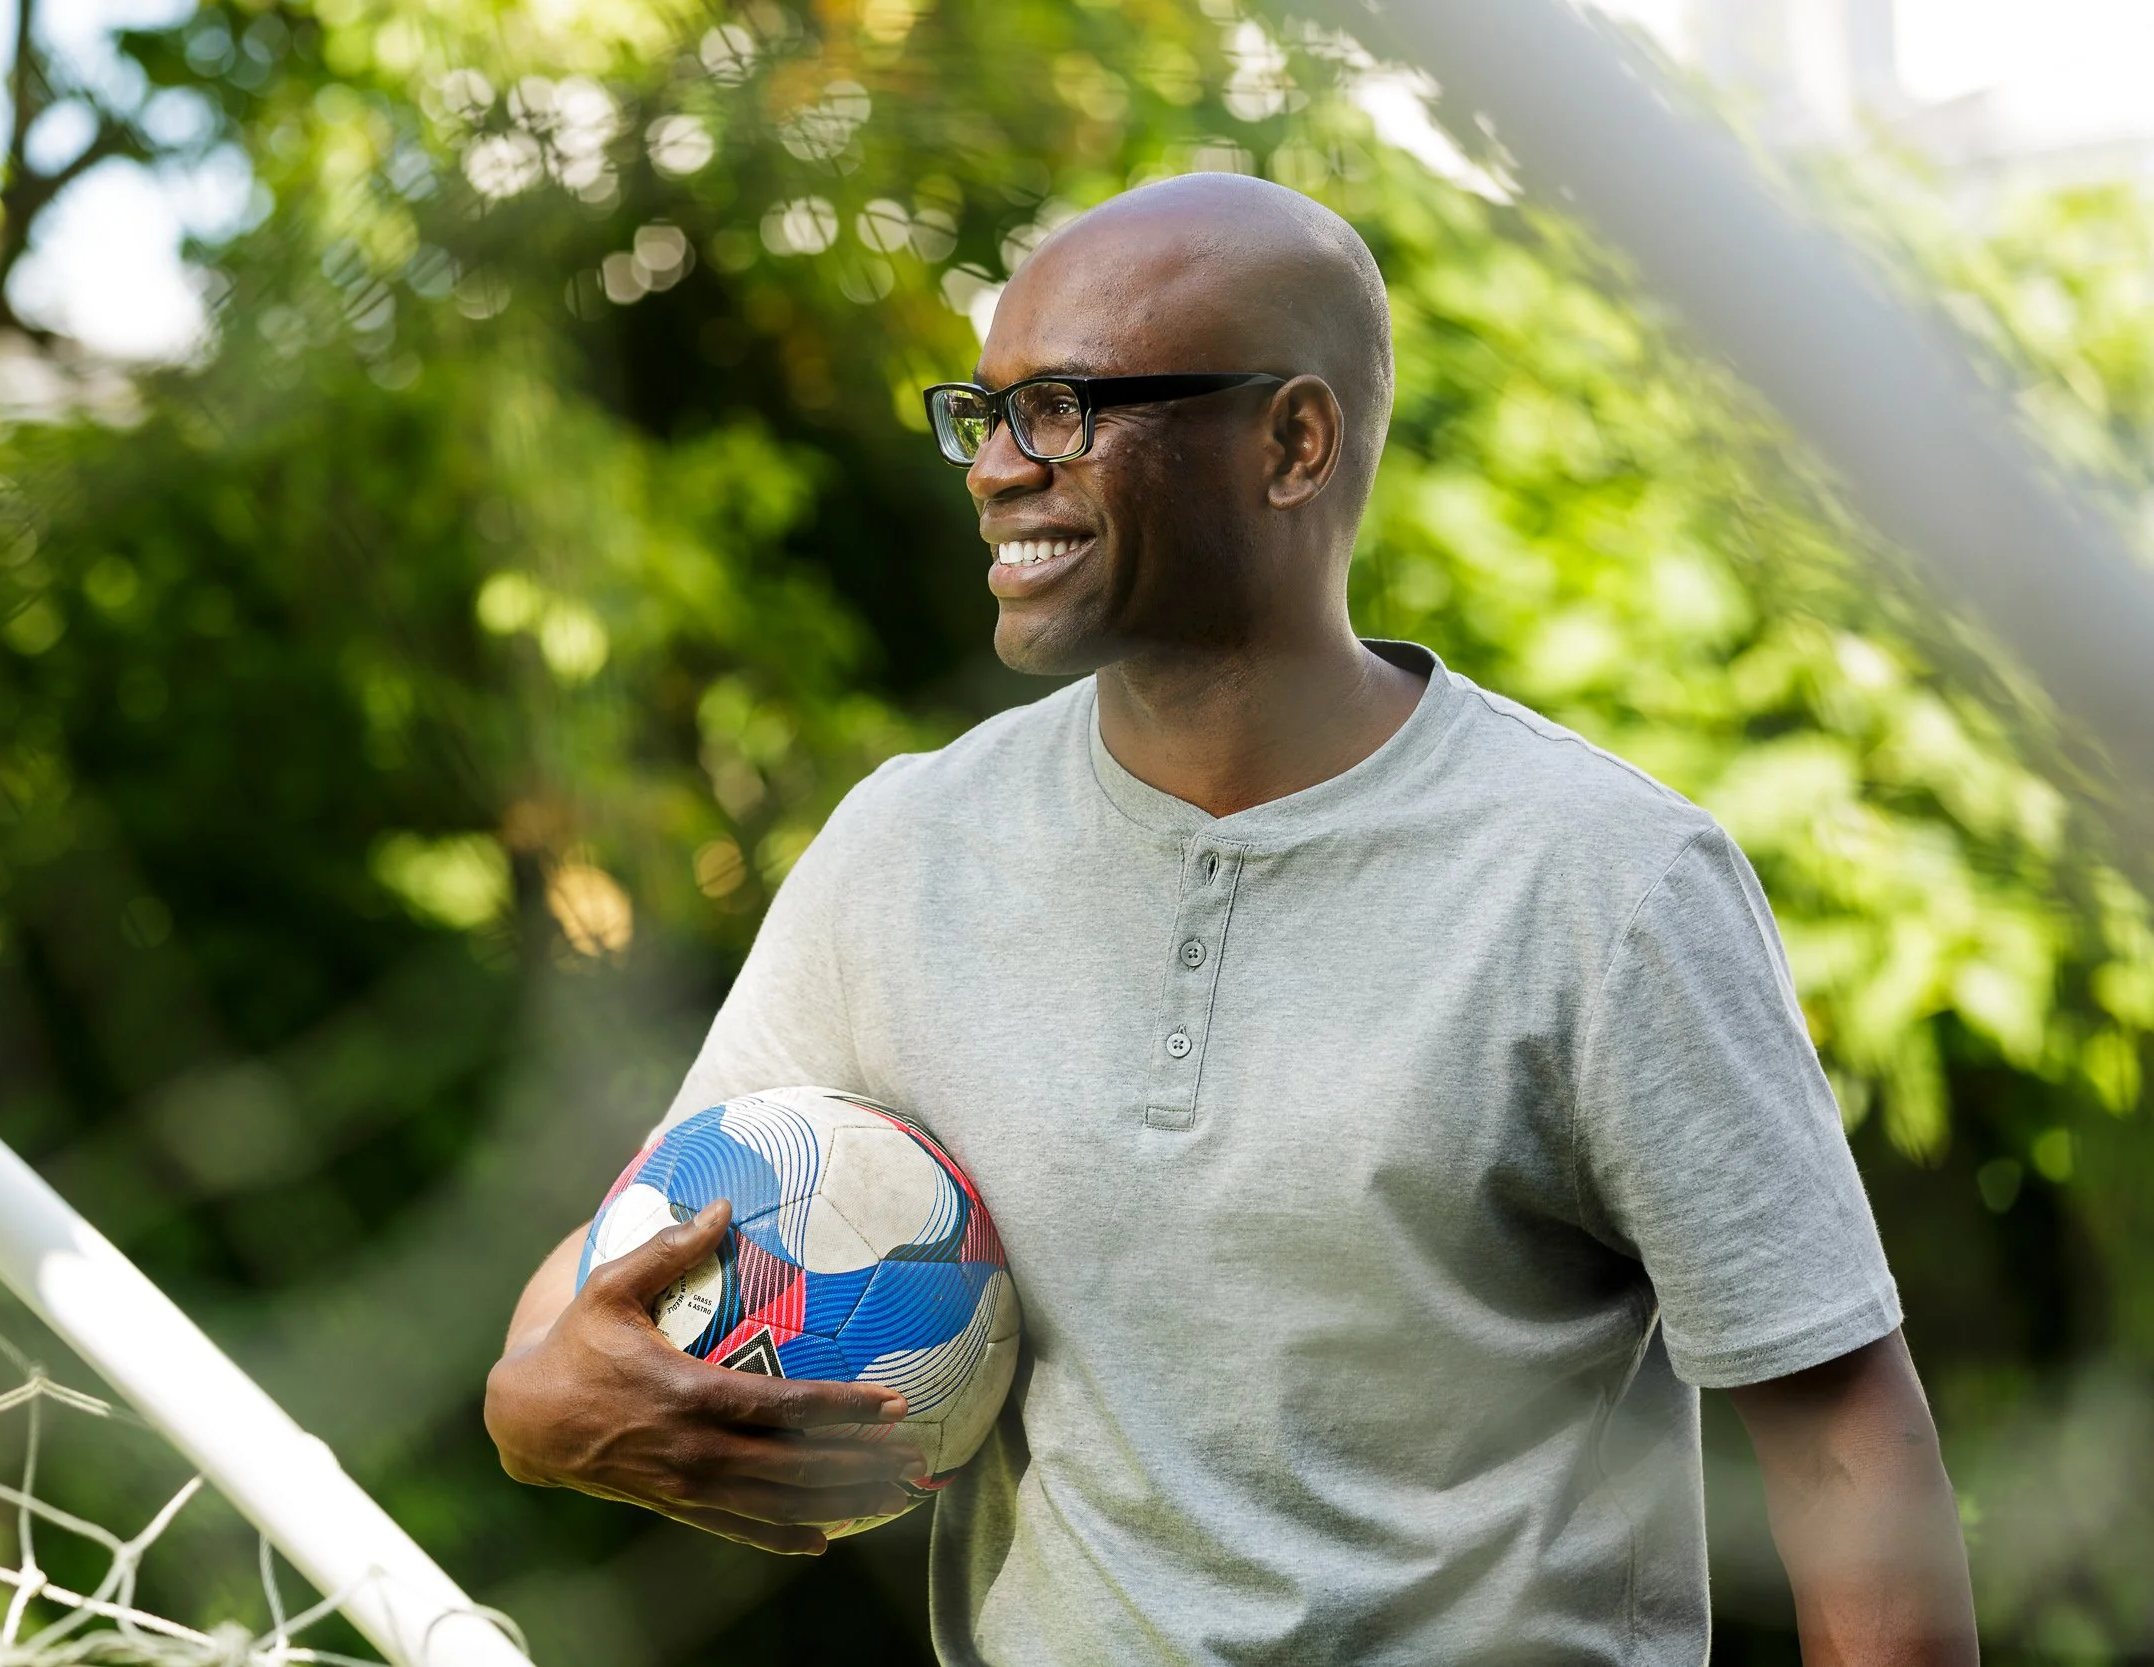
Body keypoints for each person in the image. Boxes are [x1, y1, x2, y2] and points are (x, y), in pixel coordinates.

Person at [484, 173, 1980, 1666]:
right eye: (982, 411)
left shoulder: (1606, 878)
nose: (997, 468)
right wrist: (533, 1398)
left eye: (1063, 407)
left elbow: (1847, 1443)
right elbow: (648, 1235)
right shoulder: (904, 846)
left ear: (1293, 440)